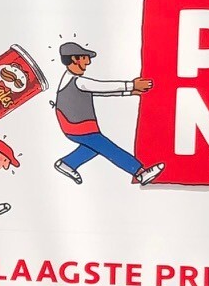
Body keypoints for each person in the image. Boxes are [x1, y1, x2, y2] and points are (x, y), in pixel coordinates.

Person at [50, 42, 166, 186]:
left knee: (93, 148)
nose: (88, 62)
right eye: (85, 58)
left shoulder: (71, 79)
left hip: (78, 125)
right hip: (77, 126)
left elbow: (99, 91)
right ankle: (140, 173)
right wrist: (131, 85)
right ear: (74, 59)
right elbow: (102, 87)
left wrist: (129, 92)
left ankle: (68, 163)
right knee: (107, 148)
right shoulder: (78, 81)